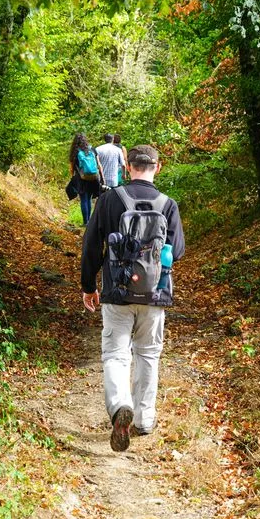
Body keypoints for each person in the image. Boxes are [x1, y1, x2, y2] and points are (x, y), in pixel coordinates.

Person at [81, 145, 185, 452]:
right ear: (158, 167)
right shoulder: (168, 205)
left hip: (116, 292)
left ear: (128, 167)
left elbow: (91, 245)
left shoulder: (110, 199)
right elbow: (176, 252)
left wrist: (89, 286)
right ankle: (144, 418)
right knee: (148, 354)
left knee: (115, 354)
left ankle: (119, 407)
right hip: (155, 294)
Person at [69, 133, 103, 225]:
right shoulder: (92, 149)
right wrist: (102, 177)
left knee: (84, 199)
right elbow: (99, 164)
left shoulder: (75, 152)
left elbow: (72, 168)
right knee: (89, 199)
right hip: (93, 178)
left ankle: (86, 222)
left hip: (81, 178)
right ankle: (89, 221)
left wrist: (72, 177)